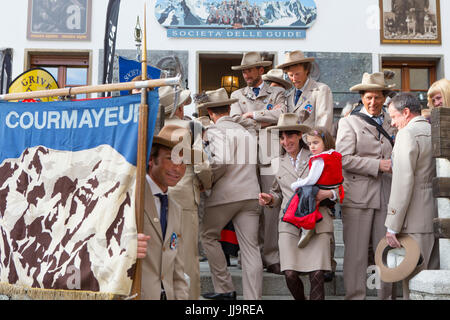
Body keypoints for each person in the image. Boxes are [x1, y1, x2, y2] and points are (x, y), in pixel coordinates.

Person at [259, 113, 338, 300]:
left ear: (299, 136)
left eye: (290, 136)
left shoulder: (317, 155)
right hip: (289, 222)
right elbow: (278, 193)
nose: (286, 141)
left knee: (317, 274)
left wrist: (325, 194)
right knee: (290, 273)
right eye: (282, 137)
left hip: (317, 220)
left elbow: (339, 187)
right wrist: (270, 199)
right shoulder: (277, 162)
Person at [336, 72, 397, 300]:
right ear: (362, 97)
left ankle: (386, 297)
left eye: (378, 97)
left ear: (384, 97)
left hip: (388, 195)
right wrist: (377, 165)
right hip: (358, 197)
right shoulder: (348, 122)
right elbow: (342, 158)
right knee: (356, 255)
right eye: (368, 97)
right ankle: (355, 297)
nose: (373, 102)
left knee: (385, 254)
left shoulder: (393, 121)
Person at [199, 88, 263, 300]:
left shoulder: (216, 130)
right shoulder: (246, 132)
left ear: (210, 112)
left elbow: (221, 161)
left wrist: (206, 182)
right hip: (251, 194)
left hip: (224, 196)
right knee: (251, 249)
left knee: (208, 236)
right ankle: (253, 301)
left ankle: (225, 288)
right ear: (229, 108)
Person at [231, 51, 286, 275]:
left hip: (271, 154)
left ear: (261, 71)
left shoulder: (278, 92)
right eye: (243, 71)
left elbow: (282, 115)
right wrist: (264, 120)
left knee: (272, 205)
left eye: (249, 70)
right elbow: (234, 121)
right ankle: (250, 255)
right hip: (245, 156)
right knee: (249, 205)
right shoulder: (236, 94)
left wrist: (252, 116)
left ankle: (272, 256)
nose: (245, 74)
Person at [384, 92, 439, 299]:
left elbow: (403, 181)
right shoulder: (434, 129)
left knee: (414, 285)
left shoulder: (407, 134)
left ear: (406, 112)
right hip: (435, 211)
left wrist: (392, 225)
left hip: (414, 218)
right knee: (433, 280)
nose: (393, 123)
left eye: (394, 117)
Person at [159, 86, 212, 300]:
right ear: (179, 108)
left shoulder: (155, 128)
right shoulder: (192, 127)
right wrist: (206, 184)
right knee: (188, 257)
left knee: (162, 254)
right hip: (185, 197)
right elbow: (202, 166)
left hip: (158, 195)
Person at [136, 124, 190, 300]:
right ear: (151, 159)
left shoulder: (175, 208)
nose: (178, 168)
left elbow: (177, 269)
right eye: (171, 159)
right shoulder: (132, 197)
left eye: (183, 162)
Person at [288, 127, 344, 248]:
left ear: (326, 142)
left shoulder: (319, 159)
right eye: (309, 144)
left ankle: (306, 225)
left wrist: (296, 184)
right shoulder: (334, 155)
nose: (312, 147)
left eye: (315, 142)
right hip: (333, 186)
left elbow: (311, 179)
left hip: (322, 187)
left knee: (303, 193)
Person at [276, 50, 334, 132]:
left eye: (297, 74)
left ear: (306, 70)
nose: (294, 79)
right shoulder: (288, 96)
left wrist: (314, 142)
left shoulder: (321, 90)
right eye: (291, 75)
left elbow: (323, 123)